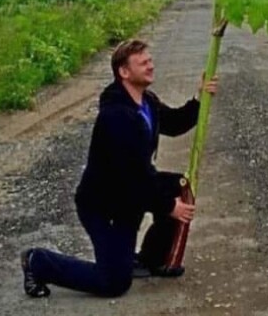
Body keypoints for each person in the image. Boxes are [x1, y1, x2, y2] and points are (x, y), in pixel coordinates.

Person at [20, 38, 218, 298]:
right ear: (124, 72)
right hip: (104, 206)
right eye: (143, 62)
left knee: (176, 186)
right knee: (114, 282)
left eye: (150, 60)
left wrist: (199, 98)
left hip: (127, 199)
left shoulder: (147, 102)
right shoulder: (116, 116)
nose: (151, 66)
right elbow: (134, 180)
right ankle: (38, 262)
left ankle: (151, 259)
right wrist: (170, 208)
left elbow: (175, 123)